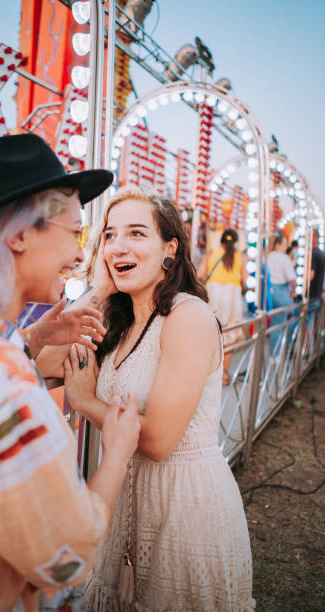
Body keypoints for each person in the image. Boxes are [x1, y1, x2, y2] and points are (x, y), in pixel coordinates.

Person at [0, 134, 141, 612]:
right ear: (19, 234)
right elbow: (63, 548)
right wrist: (118, 451)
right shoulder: (2, 377)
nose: (81, 254)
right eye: (74, 232)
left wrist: (34, 339)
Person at [62, 188, 255, 611]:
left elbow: (157, 441)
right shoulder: (119, 319)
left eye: (135, 233)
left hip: (183, 509)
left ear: (170, 248)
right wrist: (98, 289)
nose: (119, 246)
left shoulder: (188, 317)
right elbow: (44, 359)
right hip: (123, 510)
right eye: (109, 235)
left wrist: (85, 402)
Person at [198, 228, 246, 385]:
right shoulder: (240, 256)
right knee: (229, 334)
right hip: (232, 296)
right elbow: (245, 279)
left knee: (211, 332)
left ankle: (206, 374)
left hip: (214, 293)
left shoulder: (212, 253)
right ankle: (224, 376)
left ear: (222, 241)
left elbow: (200, 274)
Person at [267, 234, 296, 348]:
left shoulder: (268, 256)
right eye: (285, 245)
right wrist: (293, 289)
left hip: (269, 292)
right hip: (281, 292)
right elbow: (292, 279)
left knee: (274, 322)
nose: (286, 248)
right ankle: (278, 353)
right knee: (282, 323)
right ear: (278, 245)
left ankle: (274, 353)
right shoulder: (285, 258)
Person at [309, 229, 325, 299]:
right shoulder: (321, 253)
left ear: (315, 237)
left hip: (313, 293)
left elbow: (311, 276)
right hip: (318, 292)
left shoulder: (314, 254)